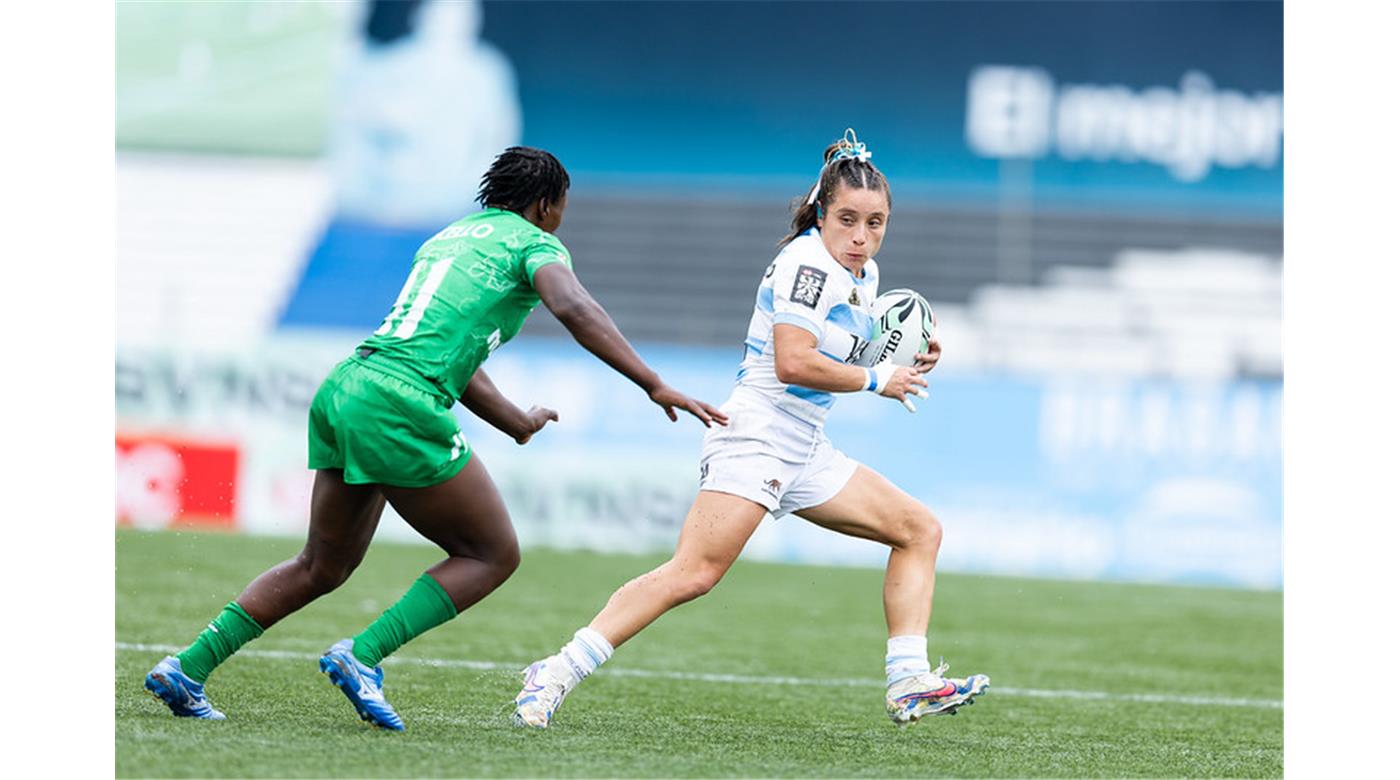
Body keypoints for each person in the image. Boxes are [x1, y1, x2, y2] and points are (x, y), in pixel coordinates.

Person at [143, 146, 727, 730]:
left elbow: (453, 350)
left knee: (321, 565)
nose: (560, 220)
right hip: (401, 403)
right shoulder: (534, 243)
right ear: (546, 205)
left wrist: (514, 421)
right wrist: (652, 383)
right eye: (561, 208)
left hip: (349, 385)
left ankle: (188, 667)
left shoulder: (453, 236)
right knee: (492, 554)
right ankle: (363, 655)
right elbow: (572, 305)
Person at [511, 130, 989, 729]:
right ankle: (554, 670)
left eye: (876, 223)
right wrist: (877, 381)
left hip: (805, 445)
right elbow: (793, 362)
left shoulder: (862, 275)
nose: (862, 237)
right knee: (693, 574)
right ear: (821, 213)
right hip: (758, 435)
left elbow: (848, 350)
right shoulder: (807, 264)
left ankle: (909, 681)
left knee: (919, 530)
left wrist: (908, 354)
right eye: (848, 219)